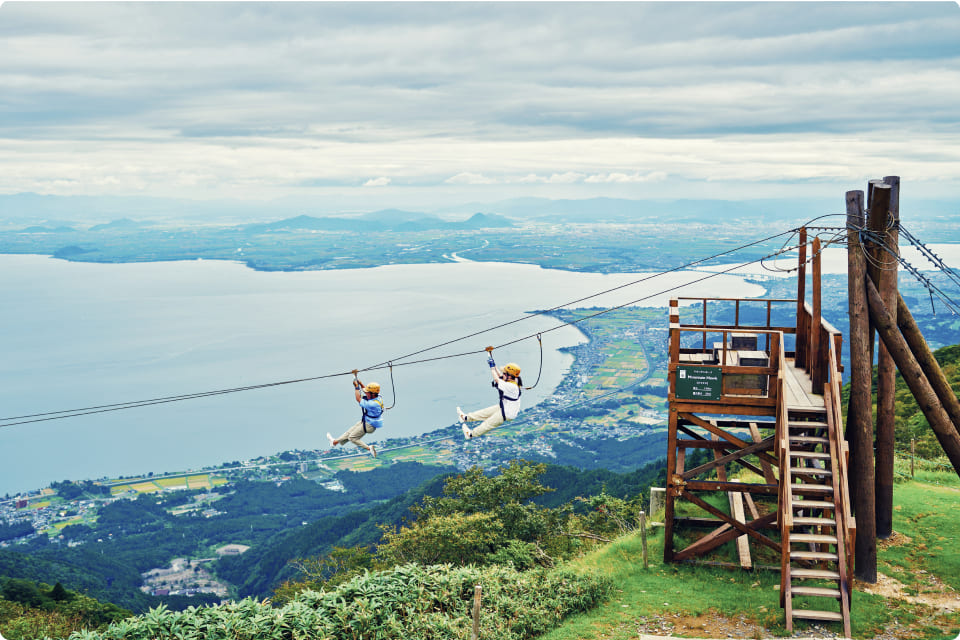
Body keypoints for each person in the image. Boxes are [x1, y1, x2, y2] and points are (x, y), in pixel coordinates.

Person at [457, 356, 522, 439]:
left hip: (507, 413)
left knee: (488, 423)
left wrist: (491, 368)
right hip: (505, 406)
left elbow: (497, 379)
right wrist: (494, 365)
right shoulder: (513, 380)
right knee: (485, 412)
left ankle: (470, 434)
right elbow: (501, 376)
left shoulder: (511, 386)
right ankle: (466, 418)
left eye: (505, 373)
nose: (503, 374)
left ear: (510, 376)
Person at [327, 379, 383, 457]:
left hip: (369, 425)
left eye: (368, 392)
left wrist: (357, 387)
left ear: (372, 393)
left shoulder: (372, 404)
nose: (366, 393)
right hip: (367, 421)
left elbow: (358, 399)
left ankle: (369, 448)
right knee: (350, 431)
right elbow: (367, 393)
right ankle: (334, 442)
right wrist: (361, 383)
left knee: (352, 438)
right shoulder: (378, 397)